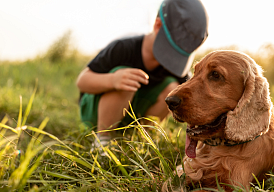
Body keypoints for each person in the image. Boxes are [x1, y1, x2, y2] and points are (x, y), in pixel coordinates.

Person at [76, 0, 209, 151]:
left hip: (132, 115)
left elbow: (192, 96)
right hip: (97, 114)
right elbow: (82, 81)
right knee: (127, 78)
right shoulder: (123, 48)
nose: (172, 60)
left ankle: (141, 137)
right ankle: (103, 140)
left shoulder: (175, 67)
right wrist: (113, 80)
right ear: (157, 26)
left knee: (174, 87)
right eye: (171, 51)